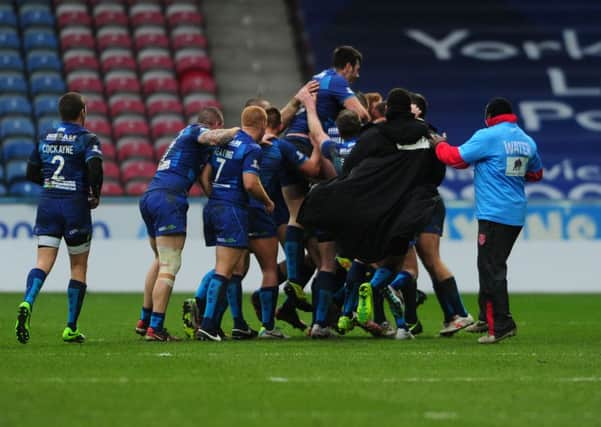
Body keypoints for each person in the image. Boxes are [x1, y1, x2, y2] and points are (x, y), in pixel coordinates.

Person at [298, 88, 442, 340]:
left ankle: (331, 317)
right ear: (410, 109)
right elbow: (437, 170)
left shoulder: (373, 136)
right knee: (396, 266)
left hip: (365, 209)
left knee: (336, 264)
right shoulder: (426, 135)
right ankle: (398, 322)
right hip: (404, 210)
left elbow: (348, 166)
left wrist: (310, 107)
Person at [431, 97, 543, 344]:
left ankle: (501, 325)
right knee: (490, 264)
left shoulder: (489, 135)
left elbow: (454, 158)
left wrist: (439, 144)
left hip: (494, 212)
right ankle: (486, 318)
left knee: (492, 268)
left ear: (489, 115)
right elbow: (536, 173)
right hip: (515, 212)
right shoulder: (526, 140)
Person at [137, 107, 240, 341]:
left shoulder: (187, 144)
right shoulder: (198, 131)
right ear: (215, 123)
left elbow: (204, 180)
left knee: (160, 260)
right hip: (169, 198)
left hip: (151, 195)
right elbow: (212, 137)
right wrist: (238, 131)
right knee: (170, 266)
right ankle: (156, 328)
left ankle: (145, 319)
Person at [282, 46, 370, 314]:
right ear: (348, 65)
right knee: (341, 188)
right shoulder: (337, 81)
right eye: (356, 69)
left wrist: (300, 103)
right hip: (310, 144)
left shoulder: (315, 79)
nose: (356, 75)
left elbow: (284, 117)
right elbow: (361, 115)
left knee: (296, 214)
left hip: (290, 142)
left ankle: (295, 280)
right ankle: (342, 258)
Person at [15, 92, 103, 344]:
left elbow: (31, 172)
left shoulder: (45, 136)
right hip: (75, 205)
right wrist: (94, 193)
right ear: (82, 112)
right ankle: (70, 327)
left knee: (43, 261)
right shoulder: (87, 138)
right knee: (78, 266)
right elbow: (95, 167)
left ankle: (27, 301)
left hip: (48, 204)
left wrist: (50, 181)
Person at [196, 106, 274, 341]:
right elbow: (250, 183)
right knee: (226, 270)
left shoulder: (223, 141)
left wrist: (216, 196)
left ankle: (227, 323)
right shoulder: (251, 147)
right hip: (233, 209)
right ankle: (208, 324)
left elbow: (204, 176)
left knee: (230, 267)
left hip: (213, 207)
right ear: (262, 125)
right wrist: (268, 202)